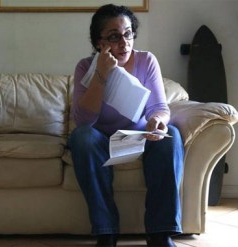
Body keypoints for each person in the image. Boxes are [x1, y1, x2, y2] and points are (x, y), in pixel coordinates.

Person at [68, 4, 184, 247]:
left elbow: (160, 107)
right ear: (99, 42)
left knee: (170, 134)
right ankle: (106, 232)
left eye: (128, 33)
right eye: (114, 36)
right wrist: (102, 74)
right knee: (82, 137)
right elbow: (84, 120)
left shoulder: (146, 61)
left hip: (139, 138)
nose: (124, 43)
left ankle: (160, 233)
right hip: (102, 141)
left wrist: (157, 122)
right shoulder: (84, 67)